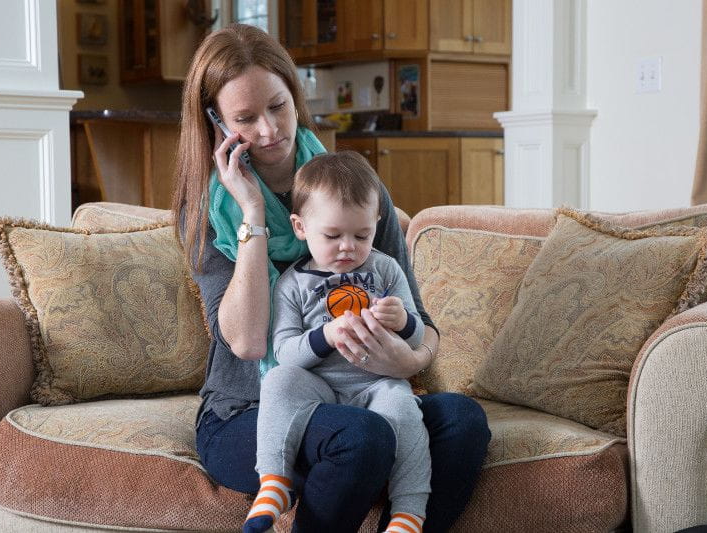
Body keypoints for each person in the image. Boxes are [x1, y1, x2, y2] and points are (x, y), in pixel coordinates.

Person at [171, 23, 491, 533]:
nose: (269, 129)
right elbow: (250, 342)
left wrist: (408, 359)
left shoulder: (355, 188)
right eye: (245, 118)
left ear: (295, 96)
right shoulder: (210, 212)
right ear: (215, 124)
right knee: (362, 437)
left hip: (363, 389)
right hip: (252, 411)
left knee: (462, 421)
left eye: (278, 106)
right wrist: (251, 209)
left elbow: (422, 324)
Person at [246, 151, 430, 533]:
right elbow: (283, 353)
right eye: (332, 236)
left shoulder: (384, 269)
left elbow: (417, 337)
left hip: (377, 381)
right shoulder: (291, 284)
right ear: (300, 227)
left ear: (376, 223)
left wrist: (404, 321)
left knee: (404, 407)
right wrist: (325, 335)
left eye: (362, 235)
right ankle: (274, 483)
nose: (348, 246)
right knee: (277, 381)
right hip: (320, 387)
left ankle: (409, 512)